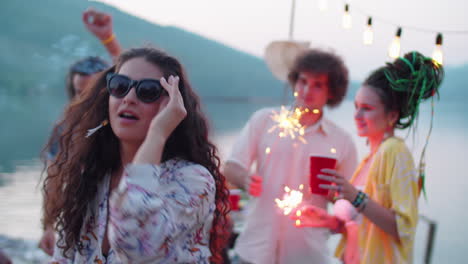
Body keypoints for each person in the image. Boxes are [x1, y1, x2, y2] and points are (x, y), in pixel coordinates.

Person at [42, 47, 230, 263]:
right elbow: (63, 257)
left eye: (147, 91)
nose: (129, 98)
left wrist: (157, 134)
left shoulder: (192, 180)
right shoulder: (90, 175)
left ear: (171, 107)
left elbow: (137, 246)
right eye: (120, 86)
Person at [292, 51, 444, 264]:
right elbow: (362, 224)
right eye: (356, 107)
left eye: (367, 109)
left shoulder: (395, 152)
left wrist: (354, 195)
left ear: (392, 115)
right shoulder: (369, 158)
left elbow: (404, 228)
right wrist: (328, 221)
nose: (356, 116)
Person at [223, 47, 358, 264]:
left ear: (332, 92)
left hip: (307, 254)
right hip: (255, 249)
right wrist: (245, 179)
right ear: (295, 81)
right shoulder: (264, 120)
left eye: (318, 85)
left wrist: (337, 196)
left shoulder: (342, 142)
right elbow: (231, 167)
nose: (307, 90)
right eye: (303, 81)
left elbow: (349, 207)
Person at [39, 8, 122, 256]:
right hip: (81, 229)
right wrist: (48, 226)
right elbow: (53, 179)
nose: (86, 100)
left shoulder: (123, 125)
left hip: (124, 231)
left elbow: (132, 72)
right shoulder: (65, 130)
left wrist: (108, 40)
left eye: (94, 92)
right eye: (79, 92)